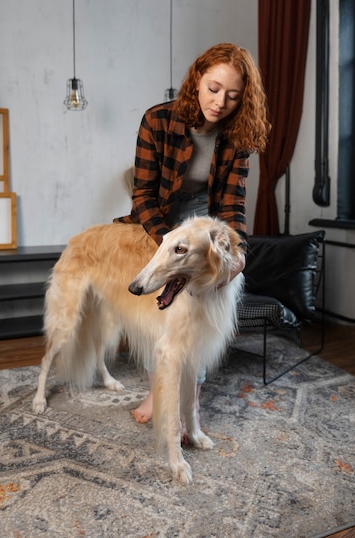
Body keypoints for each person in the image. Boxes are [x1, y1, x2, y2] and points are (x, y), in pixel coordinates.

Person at [113, 42, 270, 428]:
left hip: (207, 217)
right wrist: (172, 246)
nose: (220, 102)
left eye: (233, 96)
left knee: (199, 313)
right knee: (160, 312)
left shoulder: (239, 136)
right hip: (160, 217)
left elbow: (231, 206)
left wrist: (239, 255)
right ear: (197, 78)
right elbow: (144, 195)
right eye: (214, 88)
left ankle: (192, 406)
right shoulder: (157, 120)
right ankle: (159, 393)